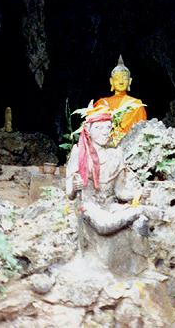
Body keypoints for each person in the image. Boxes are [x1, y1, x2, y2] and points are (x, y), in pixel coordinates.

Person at [65, 103, 160, 275]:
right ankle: (139, 210)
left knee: (141, 223)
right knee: (105, 224)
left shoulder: (116, 155)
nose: (104, 132)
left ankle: (137, 268)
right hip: (89, 204)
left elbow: (120, 192)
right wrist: (74, 186)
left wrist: (137, 194)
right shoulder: (79, 152)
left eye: (108, 128)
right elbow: (69, 193)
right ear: (88, 130)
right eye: (99, 128)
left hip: (110, 204)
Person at [95, 55, 147, 145]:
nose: (121, 82)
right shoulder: (102, 103)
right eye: (117, 78)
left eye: (124, 78)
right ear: (111, 81)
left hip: (129, 145)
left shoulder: (136, 104)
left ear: (130, 81)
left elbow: (141, 129)